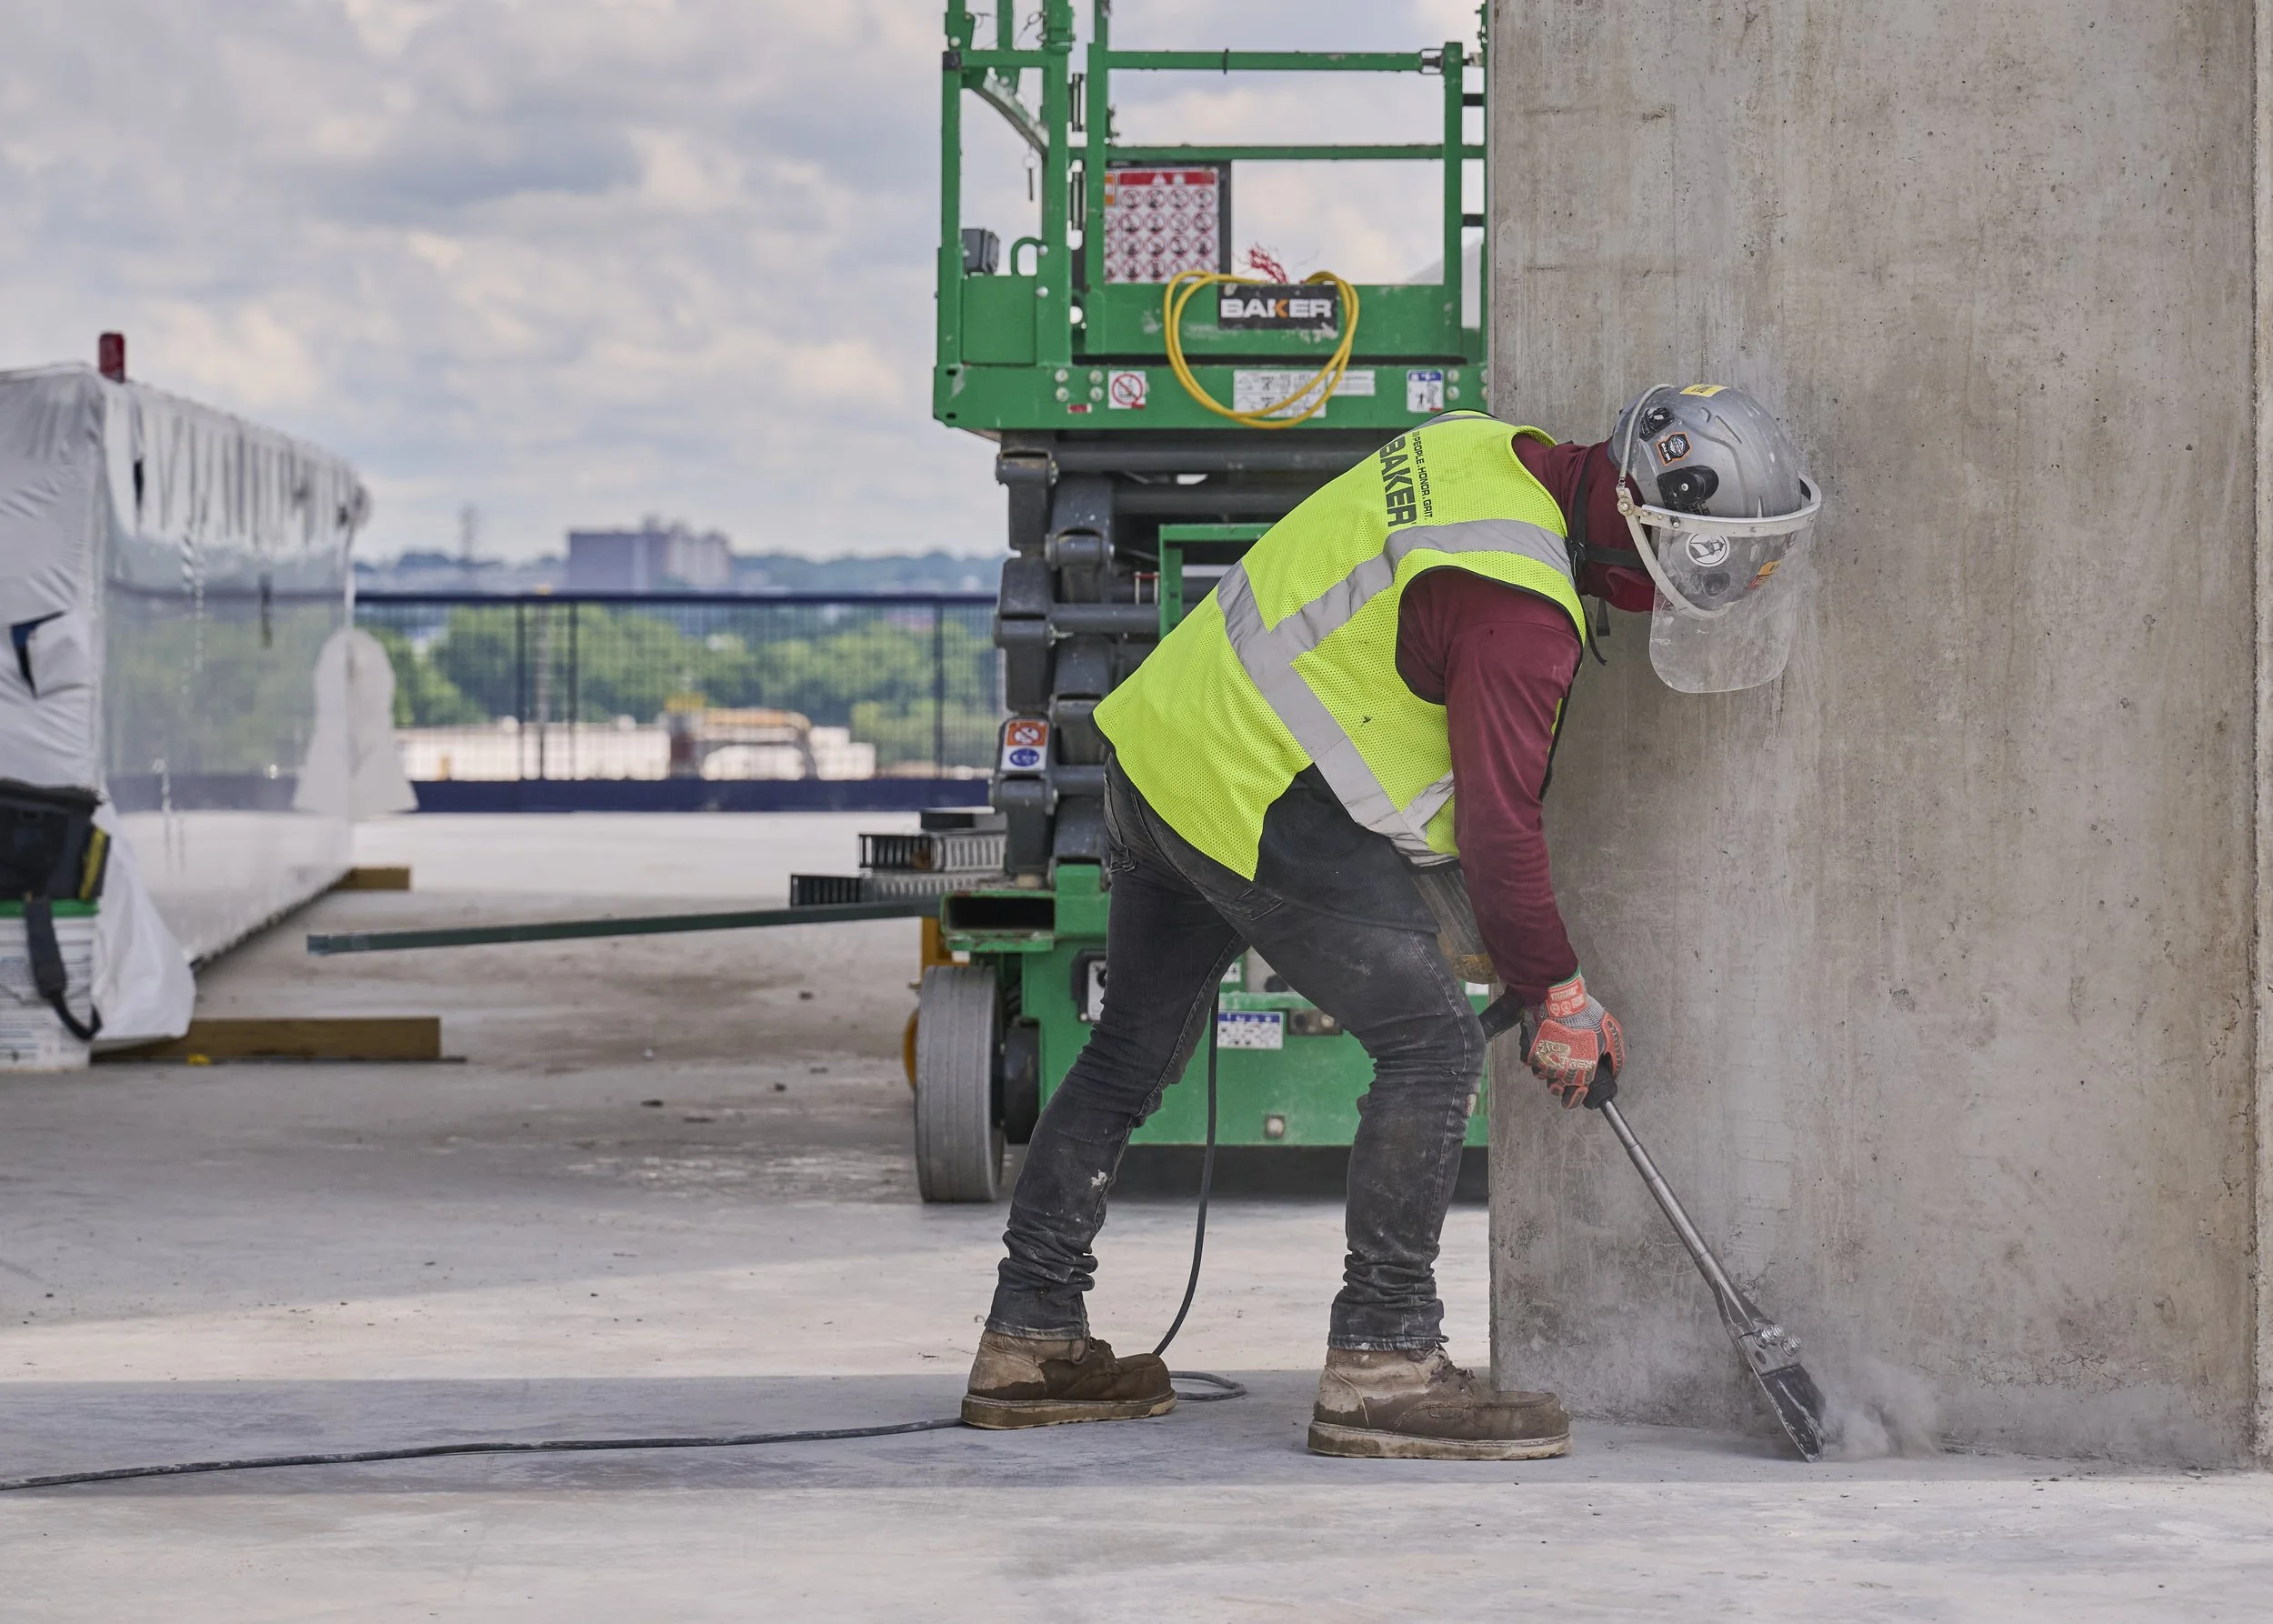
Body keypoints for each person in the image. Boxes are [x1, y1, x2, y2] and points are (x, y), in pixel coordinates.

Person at [960, 386, 1821, 1459]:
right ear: (1640, 524)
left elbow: (1376, 680)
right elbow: (1501, 825)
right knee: (1431, 1048)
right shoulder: (1520, 609)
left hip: (1165, 748)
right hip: (1259, 796)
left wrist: (1501, 944)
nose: (1666, 596)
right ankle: (1383, 1359)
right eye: (1685, 568)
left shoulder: (1476, 448)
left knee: (1129, 1050)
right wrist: (1557, 994)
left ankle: (1028, 1337)